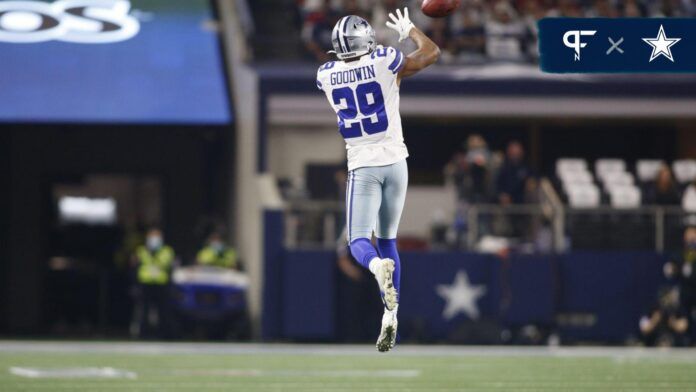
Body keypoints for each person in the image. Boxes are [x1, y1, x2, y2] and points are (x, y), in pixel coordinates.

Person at [316, 7, 439, 351]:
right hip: (397, 162)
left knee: (358, 242)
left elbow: (346, 69)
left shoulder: (326, 74)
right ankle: (391, 315)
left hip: (363, 165)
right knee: (388, 241)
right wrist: (412, 29)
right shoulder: (385, 59)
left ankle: (375, 269)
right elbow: (431, 54)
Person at [131, 228, 175, 338]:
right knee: (144, 310)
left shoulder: (167, 250)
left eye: (156, 236)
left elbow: (170, 266)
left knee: (164, 311)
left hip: (161, 284)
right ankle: (143, 334)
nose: (154, 239)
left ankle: (164, 335)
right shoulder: (141, 250)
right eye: (152, 236)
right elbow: (134, 266)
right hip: (145, 284)